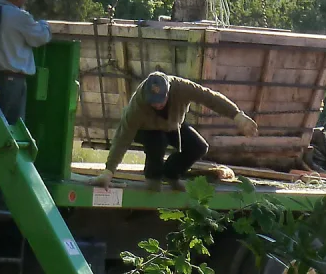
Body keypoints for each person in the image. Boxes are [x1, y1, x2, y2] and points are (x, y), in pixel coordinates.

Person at [91, 71, 258, 192]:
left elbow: (210, 97)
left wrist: (237, 115)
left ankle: (171, 174)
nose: (157, 105)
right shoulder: (137, 106)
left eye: (161, 100)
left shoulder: (181, 87)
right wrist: (108, 172)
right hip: (146, 130)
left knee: (199, 146)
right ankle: (153, 178)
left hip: (172, 124)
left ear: (168, 91)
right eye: (153, 102)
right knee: (158, 142)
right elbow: (122, 138)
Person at [0, 0, 51, 123]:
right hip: (12, 80)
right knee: (13, 126)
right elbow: (40, 37)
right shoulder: (19, 16)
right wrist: (44, 24)